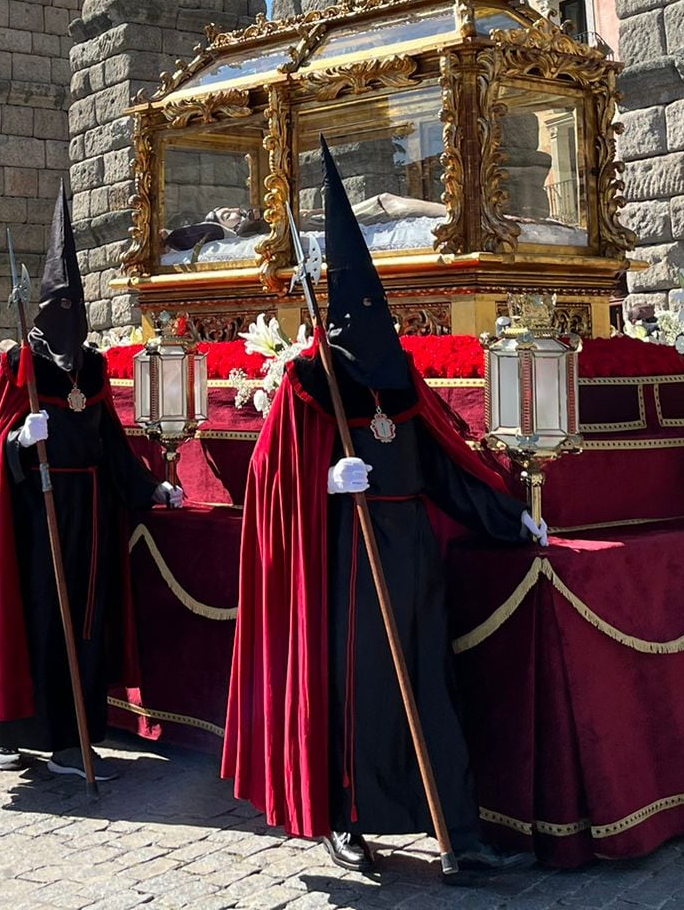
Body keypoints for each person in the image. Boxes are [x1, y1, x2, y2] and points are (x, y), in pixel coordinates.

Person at [225, 146, 538, 874]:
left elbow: (443, 469)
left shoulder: (398, 376)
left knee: (431, 687)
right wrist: (327, 479)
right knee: (356, 695)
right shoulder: (311, 381)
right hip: (345, 562)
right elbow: (272, 484)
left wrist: (510, 516)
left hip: (411, 559)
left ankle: (457, 829)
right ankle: (344, 817)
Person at [0, 187, 183, 777]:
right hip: (33, 520)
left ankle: (73, 738)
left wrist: (148, 487)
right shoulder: (16, 369)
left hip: (90, 518)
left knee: (82, 625)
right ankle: (15, 727)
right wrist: (17, 442)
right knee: (36, 624)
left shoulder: (94, 368)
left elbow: (110, 440)